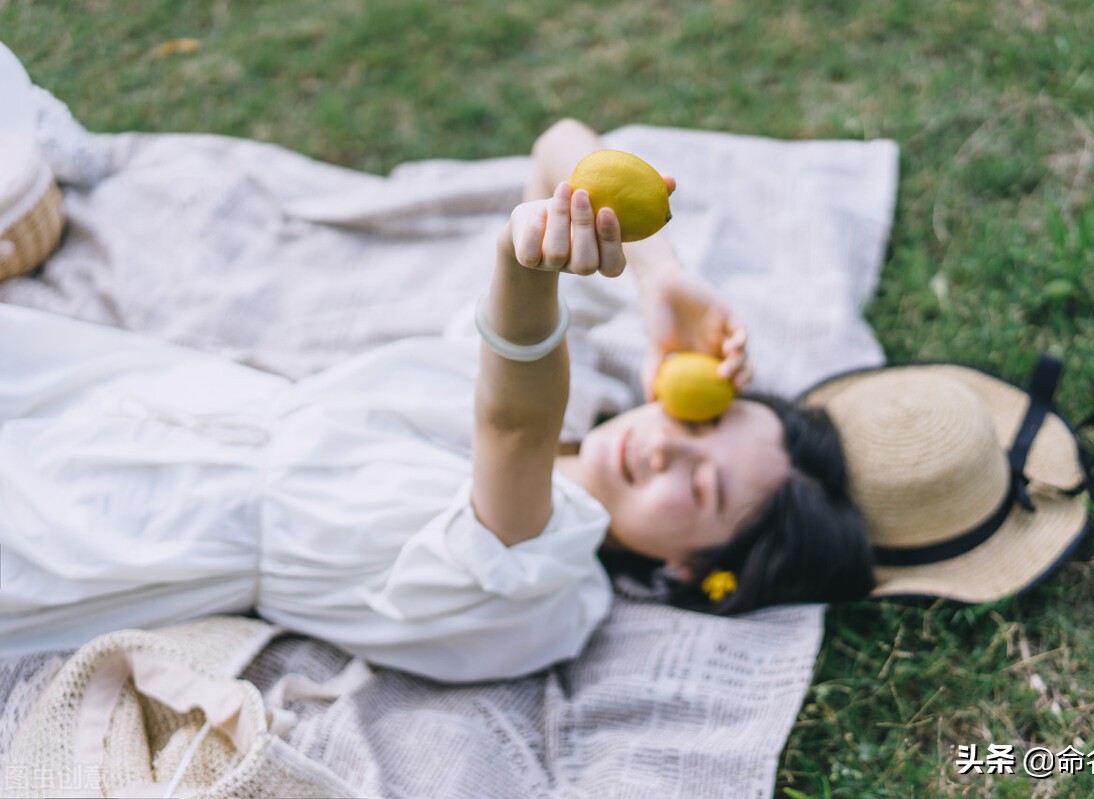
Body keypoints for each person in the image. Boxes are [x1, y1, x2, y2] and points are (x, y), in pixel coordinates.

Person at [0, 119, 874, 682]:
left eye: (704, 488)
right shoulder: (592, 385)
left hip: (127, 523)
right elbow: (557, 144)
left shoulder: (546, 590)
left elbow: (511, 422)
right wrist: (664, 276)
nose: (664, 449)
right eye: (702, 420)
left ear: (691, 570)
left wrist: (522, 268)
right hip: (144, 389)